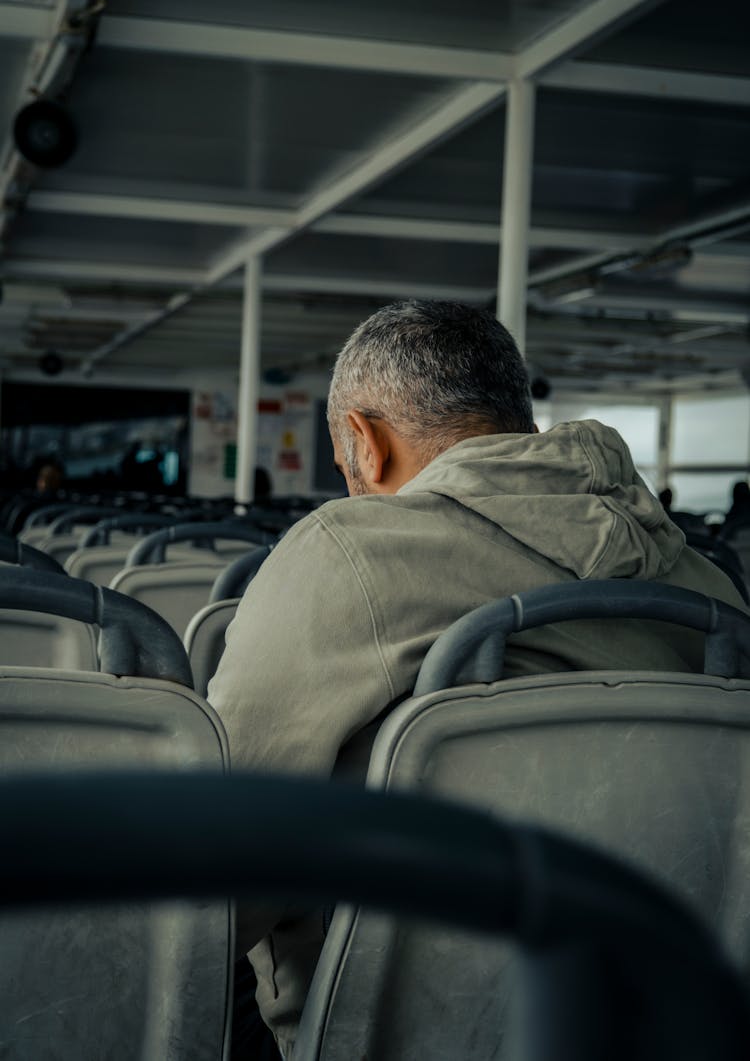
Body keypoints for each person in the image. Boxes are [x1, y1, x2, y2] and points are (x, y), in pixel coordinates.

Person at [208, 299, 746, 1058]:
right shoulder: (709, 587)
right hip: (669, 1019)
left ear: (364, 442)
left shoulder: (349, 553)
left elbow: (220, 875)